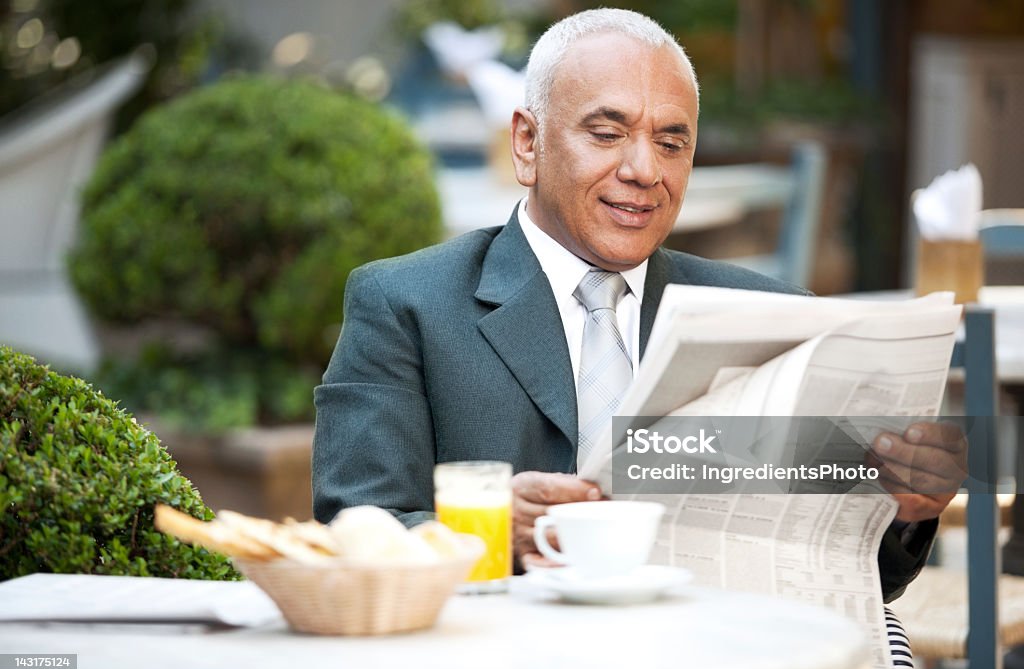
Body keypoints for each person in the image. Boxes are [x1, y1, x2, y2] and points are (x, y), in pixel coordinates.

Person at [312, 8, 963, 605]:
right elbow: (351, 530)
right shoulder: (406, 305)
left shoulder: (774, 316)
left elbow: (858, 571)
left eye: (672, 143)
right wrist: (484, 529)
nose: (645, 169)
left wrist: (908, 510)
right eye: (607, 132)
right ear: (528, 143)